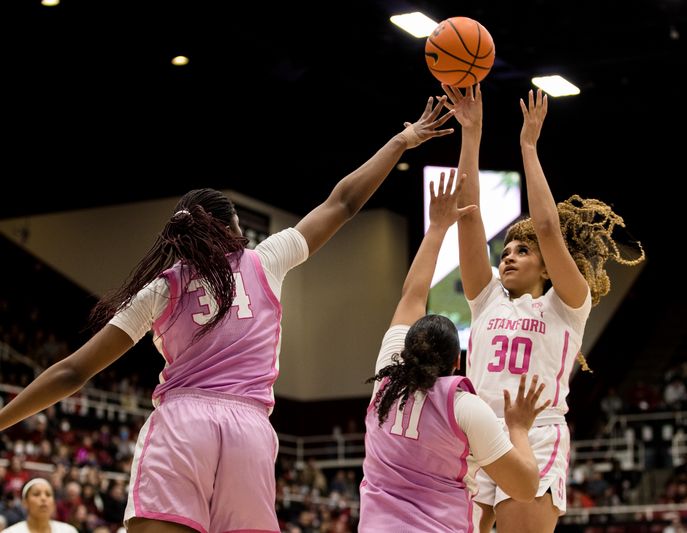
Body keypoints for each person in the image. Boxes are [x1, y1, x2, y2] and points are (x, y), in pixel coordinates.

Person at [0, 94, 456, 533]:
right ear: (231, 227)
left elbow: (73, 371)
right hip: (250, 432)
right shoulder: (266, 260)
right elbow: (342, 203)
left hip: (183, 425)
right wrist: (401, 140)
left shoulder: (162, 288)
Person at [442, 83, 645, 532]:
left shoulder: (568, 304)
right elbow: (469, 215)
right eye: (507, 249)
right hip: (474, 432)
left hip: (535, 431)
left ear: (547, 267)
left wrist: (528, 147)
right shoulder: (486, 299)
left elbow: (550, 229)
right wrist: (471, 133)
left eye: (521, 250)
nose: (508, 255)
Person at [359, 169, 550, 532]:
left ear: (405, 350)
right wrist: (519, 428)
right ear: (457, 362)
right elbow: (525, 487)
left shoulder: (385, 380)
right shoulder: (463, 406)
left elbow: (412, 296)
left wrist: (437, 227)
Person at [2, 478, 79, 533]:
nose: (43, 498)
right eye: (36, 494)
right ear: (25, 503)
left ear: (53, 504)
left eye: (48, 494)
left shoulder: (69, 530)